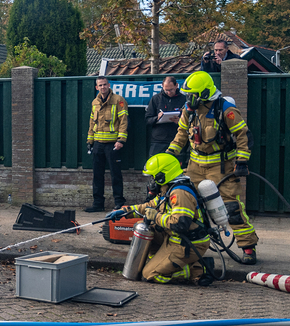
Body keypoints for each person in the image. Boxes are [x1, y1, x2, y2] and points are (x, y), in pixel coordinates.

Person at [166, 71, 258, 264]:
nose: (189, 99)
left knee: (232, 207)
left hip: (221, 167)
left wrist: (241, 161)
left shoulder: (224, 108)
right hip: (194, 166)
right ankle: (190, 243)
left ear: (205, 93)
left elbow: (243, 135)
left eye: (193, 95)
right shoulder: (189, 109)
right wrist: (170, 155)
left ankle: (248, 247)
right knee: (186, 203)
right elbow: (182, 133)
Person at [107, 153, 211, 284]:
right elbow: (150, 206)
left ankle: (196, 270)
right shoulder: (168, 188)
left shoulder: (179, 193)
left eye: (153, 177)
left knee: (149, 274)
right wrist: (125, 211)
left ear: (163, 175)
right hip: (174, 237)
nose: (152, 181)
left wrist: (155, 216)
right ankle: (162, 261)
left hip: (187, 244)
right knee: (145, 228)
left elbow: (180, 224)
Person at [85, 76, 128, 212]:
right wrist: (89, 141)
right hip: (98, 144)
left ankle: (119, 203)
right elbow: (92, 123)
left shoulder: (119, 101)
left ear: (109, 85)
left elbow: (124, 121)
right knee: (97, 175)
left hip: (113, 144)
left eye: (105, 85)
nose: (103, 87)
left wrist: (121, 140)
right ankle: (98, 204)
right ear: (96, 87)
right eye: (100, 85)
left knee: (116, 174)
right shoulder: (94, 102)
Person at [144, 76, 185, 158]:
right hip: (158, 140)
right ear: (162, 86)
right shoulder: (156, 99)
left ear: (176, 86)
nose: (169, 92)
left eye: (171, 90)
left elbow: (190, 121)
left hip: (177, 139)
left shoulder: (184, 99)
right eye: (166, 90)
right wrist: (157, 118)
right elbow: (147, 120)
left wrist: (180, 121)